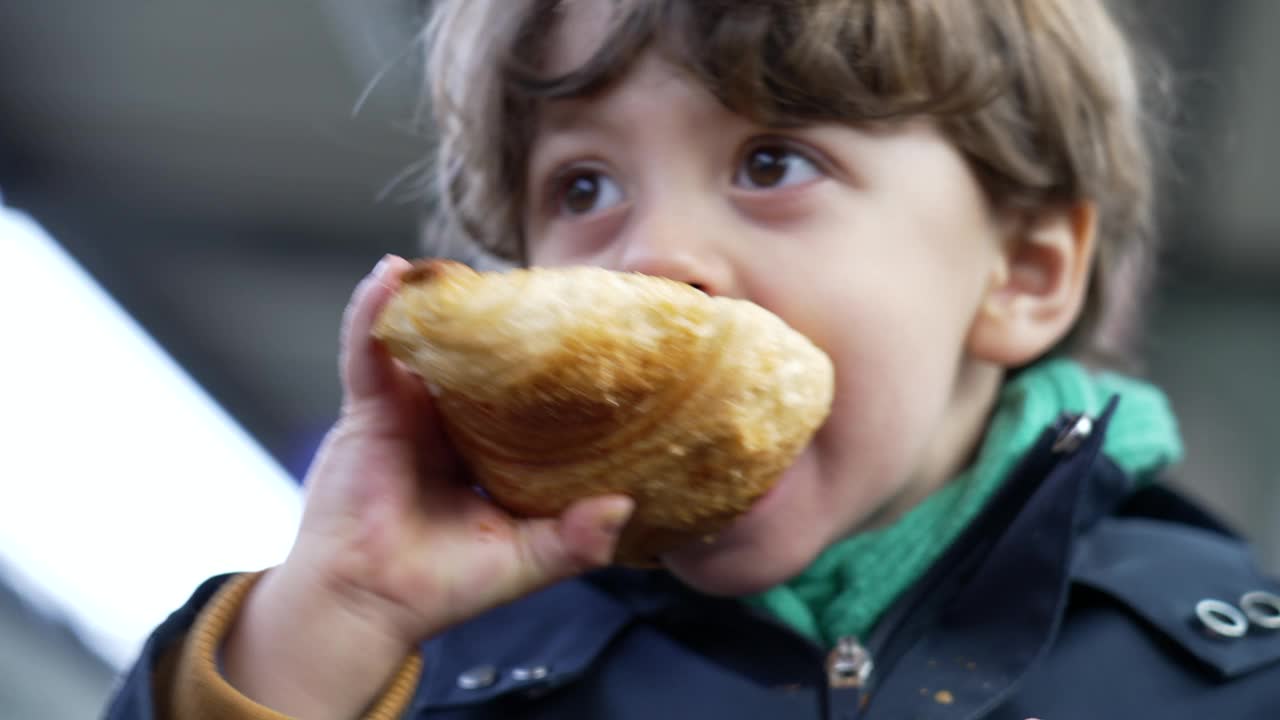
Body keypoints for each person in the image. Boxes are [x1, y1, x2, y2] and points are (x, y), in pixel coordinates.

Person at [106, 1, 1280, 718]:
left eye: (772, 163)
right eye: (583, 187)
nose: (652, 259)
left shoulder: (1227, 666)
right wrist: (327, 631)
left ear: (1022, 274)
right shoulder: (431, 671)